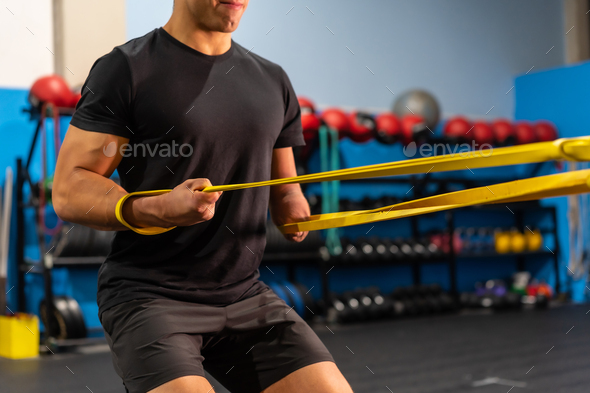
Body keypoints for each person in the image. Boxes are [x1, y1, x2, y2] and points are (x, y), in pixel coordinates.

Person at [52, 1, 353, 392]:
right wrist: (159, 208)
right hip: (150, 295)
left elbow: (287, 190)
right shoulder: (127, 68)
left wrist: (295, 210)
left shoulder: (273, 81)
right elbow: (69, 188)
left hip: (245, 294)